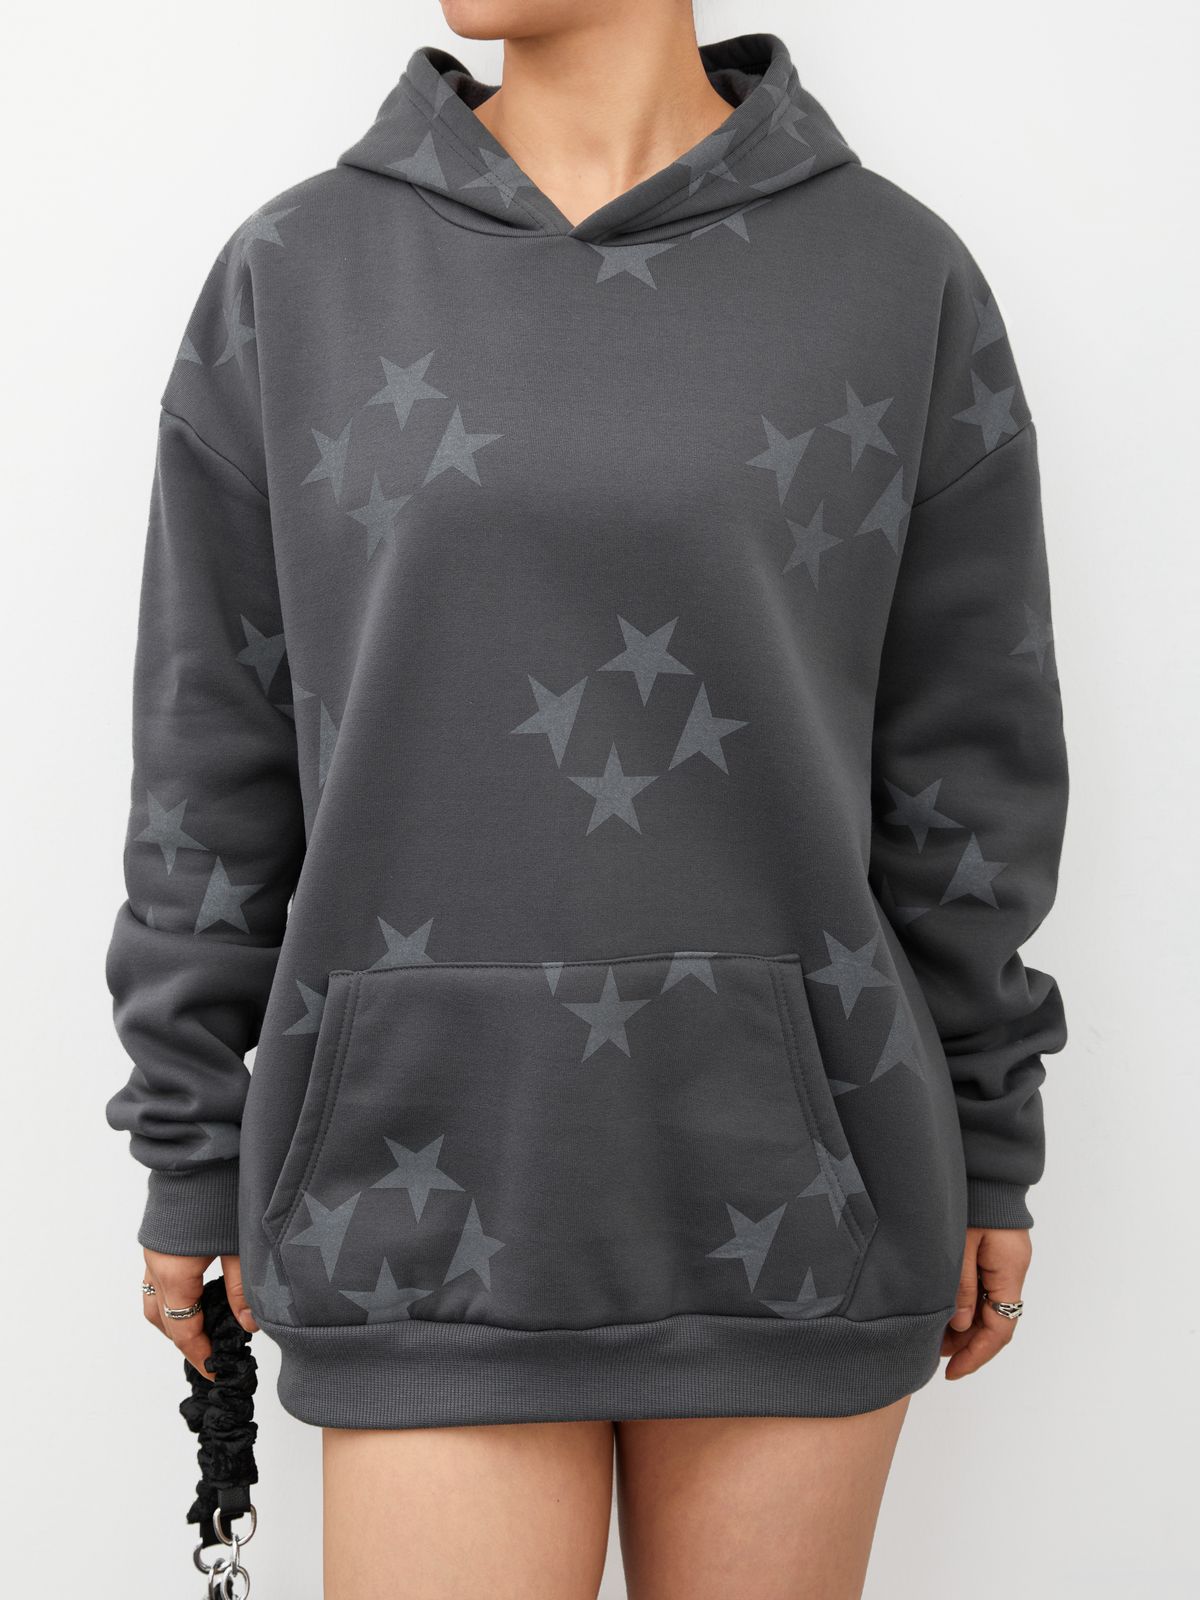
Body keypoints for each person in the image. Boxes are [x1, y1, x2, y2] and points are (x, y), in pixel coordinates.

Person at [104, 3, 1068, 1595]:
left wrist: (991, 1124)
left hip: (797, 1188)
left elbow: (968, 757)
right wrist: (189, 1135)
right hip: (414, 1184)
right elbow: (212, 744)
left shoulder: (896, 277)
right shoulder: (298, 273)